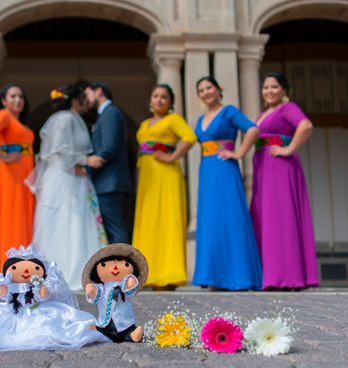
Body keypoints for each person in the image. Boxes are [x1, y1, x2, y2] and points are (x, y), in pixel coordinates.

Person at [30, 83, 107, 291]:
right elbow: (60, 150)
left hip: (72, 175)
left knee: (75, 222)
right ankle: (62, 271)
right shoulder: (65, 119)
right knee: (66, 220)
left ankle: (77, 268)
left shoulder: (72, 118)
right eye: (84, 97)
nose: (87, 101)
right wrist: (85, 160)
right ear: (76, 99)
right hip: (64, 177)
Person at [191, 76, 262, 291]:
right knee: (211, 220)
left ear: (218, 89)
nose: (205, 92)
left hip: (224, 168)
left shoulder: (229, 111)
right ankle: (214, 277)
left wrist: (239, 153)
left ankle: (236, 276)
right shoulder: (201, 118)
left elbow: (253, 129)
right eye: (201, 90)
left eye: (208, 88)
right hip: (207, 170)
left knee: (230, 217)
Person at [0, 245, 108, 351]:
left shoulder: (39, 285)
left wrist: (42, 290)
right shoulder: (9, 285)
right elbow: (3, 294)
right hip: (13, 310)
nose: (26, 271)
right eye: (14, 269)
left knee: (51, 326)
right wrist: (3, 288)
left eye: (35, 269)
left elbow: (43, 296)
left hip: (39, 310)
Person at [251, 71, 318, 289]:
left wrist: (289, 149)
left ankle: (286, 276)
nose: (269, 91)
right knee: (266, 219)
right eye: (265, 87)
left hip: (280, 167)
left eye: (274, 87)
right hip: (264, 167)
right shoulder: (263, 113)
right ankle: (270, 275)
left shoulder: (287, 108)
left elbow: (306, 126)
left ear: (284, 90)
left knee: (281, 218)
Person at [132, 84, 196, 289]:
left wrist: (172, 156)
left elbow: (190, 138)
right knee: (149, 221)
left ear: (170, 103)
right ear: (150, 100)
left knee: (167, 219)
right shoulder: (144, 125)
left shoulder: (173, 120)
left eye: (164, 97)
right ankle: (147, 273)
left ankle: (168, 274)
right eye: (155, 96)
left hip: (166, 175)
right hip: (147, 179)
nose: (159, 100)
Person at [0, 84, 35, 267]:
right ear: (4, 101)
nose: (17, 100)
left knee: (24, 214)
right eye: (12, 96)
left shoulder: (17, 121)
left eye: (20, 96)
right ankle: (13, 262)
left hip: (25, 172)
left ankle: (25, 260)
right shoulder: (4, 115)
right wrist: (3, 155)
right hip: (11, 172)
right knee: (13, 214)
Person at [83, 81, 134, 244]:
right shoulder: (105, 115)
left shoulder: (110, 113)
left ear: (98, 91)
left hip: (110, 183)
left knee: (115, 230)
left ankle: (123, 268)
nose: (86, 99)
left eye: (87, 94)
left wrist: (87, 168)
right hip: (108, 183)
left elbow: (109, 147)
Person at [82, 243, 148, 343]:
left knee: (127, 331)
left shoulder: (124, 283)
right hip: (105, 323)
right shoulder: (101, 287)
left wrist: (130, 283)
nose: (115, 268)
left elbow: (130, 292)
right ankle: (98, 332)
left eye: (125, 264)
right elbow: (96, 297)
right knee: (101, 330)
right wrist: (92, 290)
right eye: (104, 265)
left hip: (124, 323)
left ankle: (132, 335)